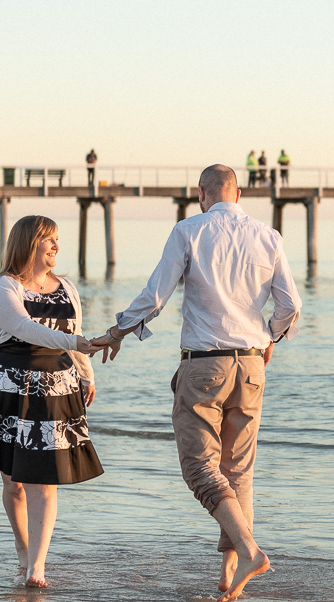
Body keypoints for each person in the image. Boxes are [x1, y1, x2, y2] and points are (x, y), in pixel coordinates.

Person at [90, 165, 301, 602]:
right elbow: (291, 304)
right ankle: (229, 582)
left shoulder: (189, 230)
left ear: (201, 193)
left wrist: (118, 332)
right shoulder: (268, 235)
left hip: (205, 365)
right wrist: (272, 336)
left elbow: (155, 296)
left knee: (200, 468)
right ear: (238, 194)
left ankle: (249, 551)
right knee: (238, 470)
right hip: (252, 365)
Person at [0, 215, 104, 588]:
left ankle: (37, 566)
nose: (56, 246)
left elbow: (75, 331)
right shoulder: (2, 288)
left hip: (55, 388)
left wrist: (87, 374)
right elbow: (23, 328)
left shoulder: (67, 287)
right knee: (14, 483)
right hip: (8, 387)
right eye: (48, 239)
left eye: (57, 239)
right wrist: (74, 345)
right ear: (27, 243)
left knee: (44, 480)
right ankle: (23, 552)